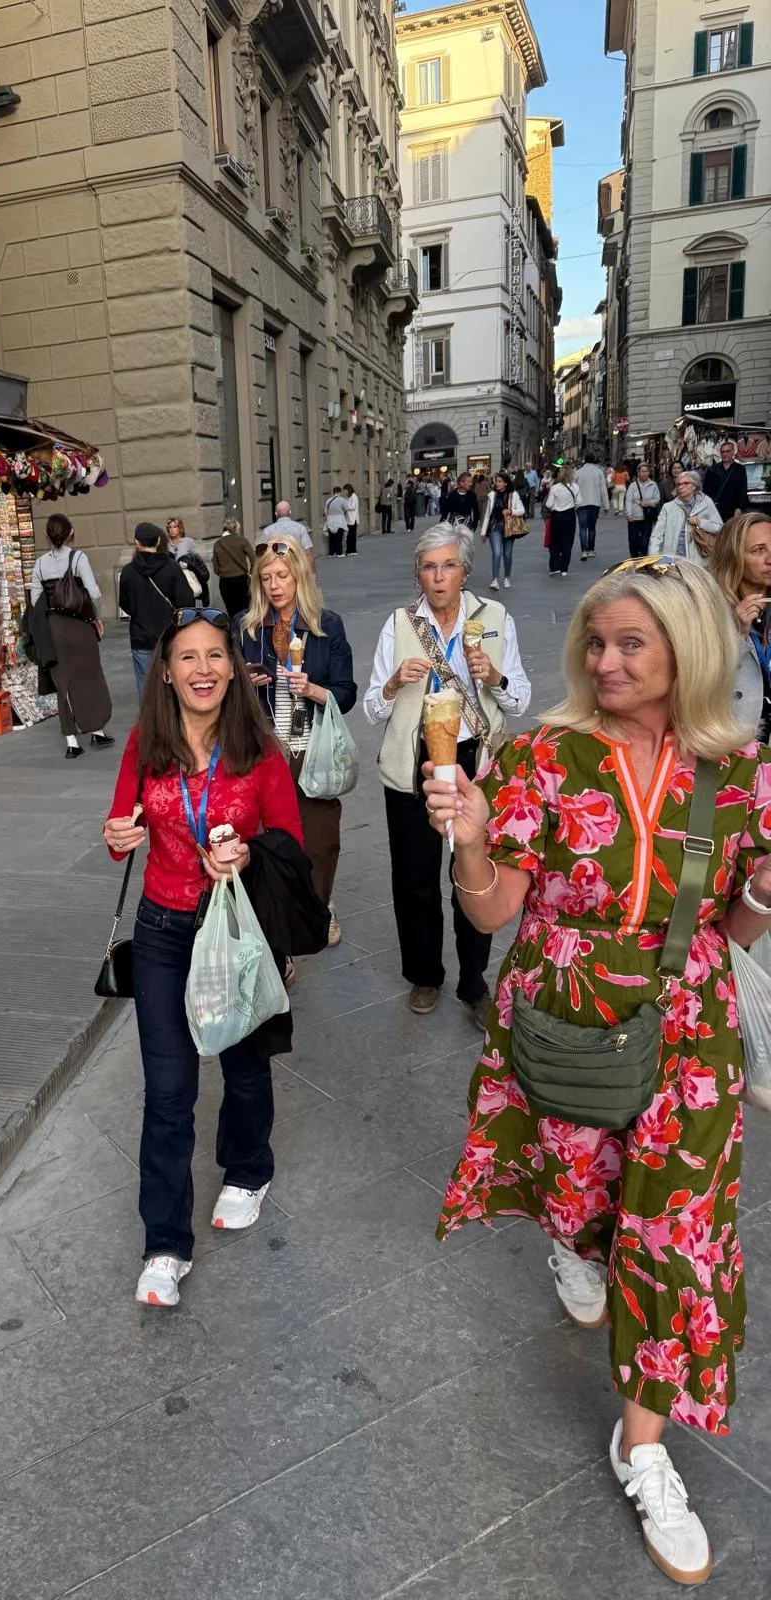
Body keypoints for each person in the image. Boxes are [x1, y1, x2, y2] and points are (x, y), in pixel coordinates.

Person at [423, 555, 771, 1588]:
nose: (605, 660)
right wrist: (473, 844)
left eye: (631, 643)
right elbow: (491, 914)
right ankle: (577, 1243)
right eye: (596, 641)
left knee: (673, 1238)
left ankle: (645, 1445)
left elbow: (739, 923)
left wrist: (766, 891)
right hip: (563, 1010)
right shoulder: (543, 754)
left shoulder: (741, 770)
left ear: (685, 652)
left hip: (687, 1031)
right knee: (580, 1192)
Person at [102, 608, 305, 1308]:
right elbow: (120, 827)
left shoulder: (261, 750)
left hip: (235, 930)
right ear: (166, 671)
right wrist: (118, 838)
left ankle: (247, 1168)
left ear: (231, 667)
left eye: (215, 655)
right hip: (162, 931)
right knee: (168, 1091)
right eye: (187, 657)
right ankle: (164, 1242)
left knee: (244, 1069)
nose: (203, 669)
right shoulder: (144, 745)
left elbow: (290, 843)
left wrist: (247, 853)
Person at [364, 524, 531, 1026]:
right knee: (414, 879)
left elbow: (520, 699)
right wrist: (394, 682)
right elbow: (372, 707)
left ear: (465, 572)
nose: (438, 577)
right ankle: (424, 974)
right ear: (418, 575)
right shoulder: (399, 624)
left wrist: (494, 677)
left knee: (473, 872)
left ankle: (474, 982)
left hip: (474, 765)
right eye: (429, 567)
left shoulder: (495, 617)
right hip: (414, 764)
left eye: (448, 566)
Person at [238, 540, 357, 950]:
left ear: (299, 577)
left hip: (313, 750)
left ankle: (320, 907)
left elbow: (347, 692)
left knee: (321, 841)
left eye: (282, 576)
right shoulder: (248, 628)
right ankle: (277, 923)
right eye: (266, 578)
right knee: (270, 841)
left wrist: (316, 691)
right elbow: (225, 691)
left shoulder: (328, 625)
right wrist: (243, 686)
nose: (274, 586)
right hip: (265, 753)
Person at [30, 513, 113, 758]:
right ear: (71, 533)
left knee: (63, 682)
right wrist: (92, 612)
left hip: (54, 627)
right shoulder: (78, 558)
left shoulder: (40, 563)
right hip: (80, 626)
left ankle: (71, 741)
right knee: (89, 677)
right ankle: (96, 729)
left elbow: (36, 600)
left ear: (48, 535)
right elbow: (94, 592)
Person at [709, 509, 771, 741]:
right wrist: (737, 634)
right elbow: (700, 681)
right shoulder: (711, 609)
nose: (770, 559)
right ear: (733, 556)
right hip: (735, 742)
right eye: (758, 550)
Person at [119, 521, 195, 696]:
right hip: (170, 635)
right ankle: (173, 721)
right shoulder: (172, 568)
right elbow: (186, 602)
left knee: (146, 689)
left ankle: (151, 722)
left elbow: (125, 604)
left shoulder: (128, 572)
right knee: (174, 685)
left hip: (141, 636)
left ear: (137, 543)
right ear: (159, 540)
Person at [648, 470, 722, 566]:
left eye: (685, 483)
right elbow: (656, 536)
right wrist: (654, 559)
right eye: (678, 484)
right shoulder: (668, 507)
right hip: (672, 561)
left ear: (694, 486)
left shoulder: (706, 503)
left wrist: (701, 522)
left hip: (698, 563)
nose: (681, 487)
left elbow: (719, 527)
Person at [477, 470, 525, 592]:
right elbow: (487, 514)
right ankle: (495, 579)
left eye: (499, 481)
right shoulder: (492, 495)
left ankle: (507, 577)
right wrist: (483, 532)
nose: (496, 483)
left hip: (509, 527)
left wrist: (510, 511)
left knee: (507, 554)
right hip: (495, 527)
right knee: (496, 553)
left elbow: (522, 510)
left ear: (506, 483)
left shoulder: (513, 495)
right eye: (496, 481)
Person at [210, 517, 256, 621]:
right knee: (244, 612)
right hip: (241, 580)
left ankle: (234, 634)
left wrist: (223, 573)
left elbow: (215, 568)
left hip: (225, 582)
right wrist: (251, 573)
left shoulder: (218, 543)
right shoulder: (242, 541)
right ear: (236, 528)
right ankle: (244, 635)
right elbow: (253, 559)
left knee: (231, 612)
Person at [259, 501, 316, 574]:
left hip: (277, 570)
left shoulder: (267, 531)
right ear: (290, 512)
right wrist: (312, 573)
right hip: (297, 568)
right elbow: (307, 552)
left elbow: (262, 553)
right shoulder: (300, 529)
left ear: (276, 514)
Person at [704, 437, 751, 522]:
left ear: (733, 452)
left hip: (733, 509)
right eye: (723, 452)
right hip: (716, 508)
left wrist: (739, 508)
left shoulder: (740, 469)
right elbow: (706, 490)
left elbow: (743, 489)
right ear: (720, 453)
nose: (725, 454)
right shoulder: (712, 470)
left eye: (728, 451)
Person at [545, 465, 581, 577]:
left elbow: (548, 504)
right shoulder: (575, 487)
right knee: (568, 542)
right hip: (569, 515)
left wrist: (554, 507)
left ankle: (554, 566)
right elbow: (579, 502)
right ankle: (564, 568)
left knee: (554, 541)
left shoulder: (555, 488)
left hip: (557, 516)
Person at [623, 461, 662, 559]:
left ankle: (643, 560)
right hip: (634, 518)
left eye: (646, 471)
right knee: (633, 542)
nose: (644, 473)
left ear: (649, 472)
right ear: (638, 473)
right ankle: (634, 558)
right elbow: (628, 500)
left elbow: (657, 499)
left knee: (645, 542)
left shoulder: (653, 485)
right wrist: (629, 514)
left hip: (647, 518)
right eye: (642, 471)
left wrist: (647, 503)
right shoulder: (633, 486)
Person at [574, 453, 609, 558]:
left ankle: (584, 550)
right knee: (592, 528)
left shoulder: (578, 472)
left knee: (583, 528)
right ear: (594, 460)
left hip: (581, 503)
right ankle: (591, 549)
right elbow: (603, 489)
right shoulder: (599, 472)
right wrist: (606, 505)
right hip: (595, 503)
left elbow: (573, 488)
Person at [324, 486, 349, 559]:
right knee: (339, 537)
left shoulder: (328, 500)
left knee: (331, 538)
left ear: (333, 492)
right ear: (339, 492)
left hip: (330, 520)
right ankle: (339, 552)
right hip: (339, 520)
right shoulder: (342, 500)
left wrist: (327, 518)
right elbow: (346, 508)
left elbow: (325, 510)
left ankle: (331, 552)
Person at [343, 483, 359, 554]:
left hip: (353, 519)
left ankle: (353, 550)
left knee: (352, 535)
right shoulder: (348, 497)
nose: (344, 492)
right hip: (348, 519)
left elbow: (353, 507)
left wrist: (346, 506)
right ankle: (349, 549)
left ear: (348, 490)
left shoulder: (354, 497)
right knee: (349, 535)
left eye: (345, 490)